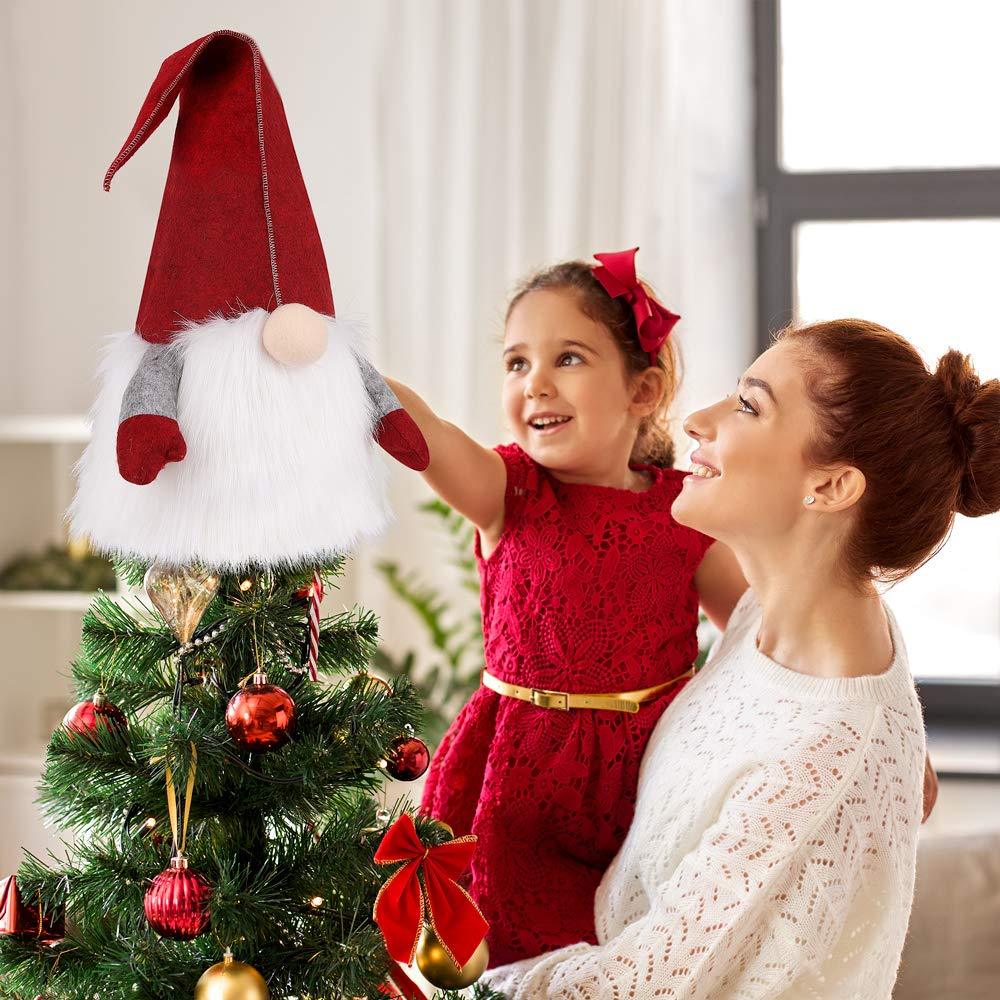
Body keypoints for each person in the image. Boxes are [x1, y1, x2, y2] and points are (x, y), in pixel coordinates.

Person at [482, 319, 999, 999]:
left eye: (749, 406)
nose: (697, 420)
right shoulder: (777, 612)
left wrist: (444, 985)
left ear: (833, 486)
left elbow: (636, 989)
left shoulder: (824, 750)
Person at [384, 248, 748, 964]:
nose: (536, 385)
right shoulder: (507, 491)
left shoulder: (690, 512)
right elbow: (420, 432)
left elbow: (769, 643)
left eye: (568, 359)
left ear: (643, 390)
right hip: (515, 792)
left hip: (652, 788)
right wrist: (325, 358)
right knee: (508, 964)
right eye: (517, 364)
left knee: (633, 962)